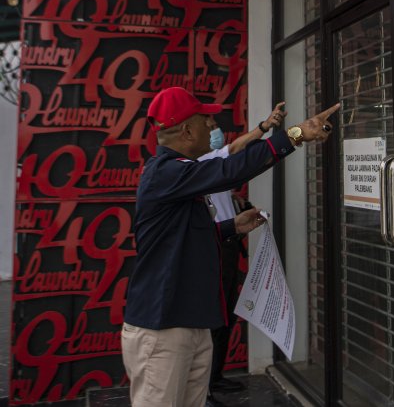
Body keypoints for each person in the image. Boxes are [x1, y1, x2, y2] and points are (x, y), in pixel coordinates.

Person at [122, 86, 339, 407]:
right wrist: (295, 134)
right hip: (163, 330)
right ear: (186, 130)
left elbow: (180, 236)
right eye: (205, 120)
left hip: (188, 325)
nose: (212, 126)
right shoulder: (165, 173)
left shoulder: (177, 172)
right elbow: (228, 169)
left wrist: (231, 227)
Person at [198, 102, 287, 402]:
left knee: (225, 317)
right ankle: (204, 386)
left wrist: (236, 203)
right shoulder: (201, 164)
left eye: (214, 126)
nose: (215, 132)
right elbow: (237, 149)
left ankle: (215, 378)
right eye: (209, 127)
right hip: (215, 248)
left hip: (228, 244)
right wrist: (265, 127)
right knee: (214, 319)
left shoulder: (212, 168)